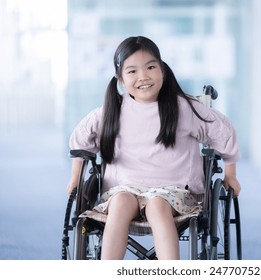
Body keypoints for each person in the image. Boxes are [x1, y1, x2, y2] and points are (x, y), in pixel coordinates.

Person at [66, 36, 241, 260]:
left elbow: (222, 131)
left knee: (158, 206)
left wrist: (231, 174)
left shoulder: (183, 107)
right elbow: (80, 139)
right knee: (119, 203)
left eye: (150, 67)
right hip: (123, 188)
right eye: (132, 71)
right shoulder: (112, 110)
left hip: (174, 192)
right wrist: (75, 178)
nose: (143, 77)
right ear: (120, 79)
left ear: (162, 70)